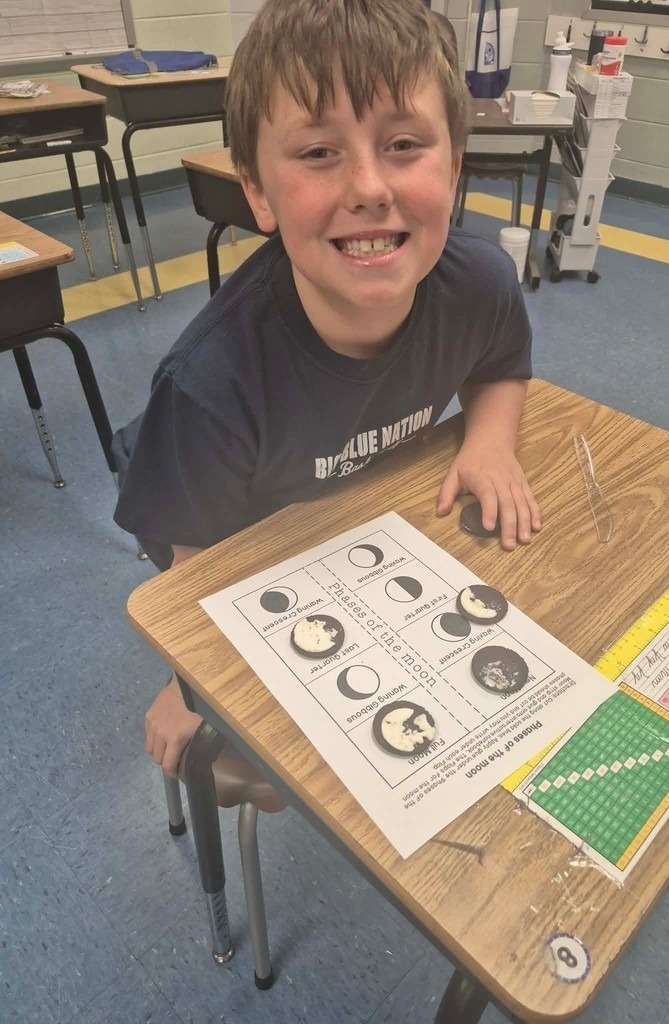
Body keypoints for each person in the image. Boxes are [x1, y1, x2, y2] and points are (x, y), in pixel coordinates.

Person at [113, 0, 541, 779]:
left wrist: (489, 440)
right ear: (259, 194)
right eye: (318, 153)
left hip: (341, 507)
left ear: (454, 167)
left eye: (404, 145)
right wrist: (193, 681)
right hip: (207, 507)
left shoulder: (481, 283)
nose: (370, 187)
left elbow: (501, 363)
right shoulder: (208, 388)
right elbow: (199, 568)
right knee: (263, 776)